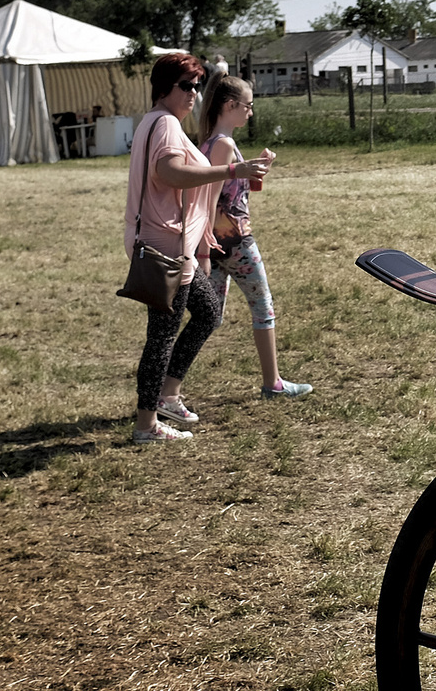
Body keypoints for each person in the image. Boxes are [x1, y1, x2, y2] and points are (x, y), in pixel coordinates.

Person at [124, 52, 273, 443]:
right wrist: (232, 170)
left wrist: (200, 228)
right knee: (162, 335)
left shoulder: (153, 122)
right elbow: (169, 173)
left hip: (172, 243)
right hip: (165, 248)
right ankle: (147, 423)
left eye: (197, 86)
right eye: (186, 85)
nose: (194, 93)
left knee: (207, 313)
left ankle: (166, 396)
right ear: (164, 88)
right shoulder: (167, 124)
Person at [197, 74, 313, 400]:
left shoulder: (211, 142)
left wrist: (258, 169)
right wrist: (204, 249)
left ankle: (168, 387)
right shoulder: (221, 145)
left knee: (209, 318)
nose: (250, 112)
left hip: (219, 245)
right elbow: (209, 198)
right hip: (235, 244)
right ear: (230, 105)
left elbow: (232, 194)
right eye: (248, 106)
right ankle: (273, 384)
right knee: (263, 309)